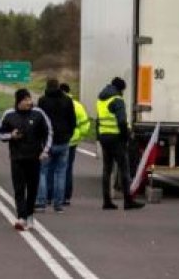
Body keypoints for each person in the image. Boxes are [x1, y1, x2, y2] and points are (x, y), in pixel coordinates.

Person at [0, 88, 52, 230]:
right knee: (19, 188)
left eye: (29, 99)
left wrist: (45, 151)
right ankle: (21, 217)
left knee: (32, 188)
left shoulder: (38, 113)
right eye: (25, 100)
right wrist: (11, 135)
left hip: (34, 157)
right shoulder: (9, 114)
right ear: (18, 101)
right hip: (17, 157)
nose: (29, 102)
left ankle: (29, 215)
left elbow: (49, 132)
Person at [97, 77, 143, 210]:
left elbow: (99, 119)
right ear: (120, 88)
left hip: (104, 136)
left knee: (107, 169)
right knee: (124, 169)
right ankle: (128, 201)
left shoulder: (101, 99)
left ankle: (107, 201)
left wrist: (99, 136)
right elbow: (122, 122)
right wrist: (127, 136)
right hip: (116, 138)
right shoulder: (117, 100)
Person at [35, 77, 76, 213]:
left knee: (43, 172)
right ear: (58, 86)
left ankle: (41, 202)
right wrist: (68, 135)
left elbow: (38, 120)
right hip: (63, 141)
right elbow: (73, 121)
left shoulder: (42, 101)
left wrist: (40, 138)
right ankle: (58, 205)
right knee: (61, 173)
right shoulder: (67, 100)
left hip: (46, 142)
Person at [60, 82, 91, 206]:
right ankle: (66, 197)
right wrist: (79, 135)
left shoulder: (54, 103)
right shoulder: (77, 106)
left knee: (55, 169)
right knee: (68, 170)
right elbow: (85, 124)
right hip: (72, 141)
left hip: (59, 140)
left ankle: (52, 196)